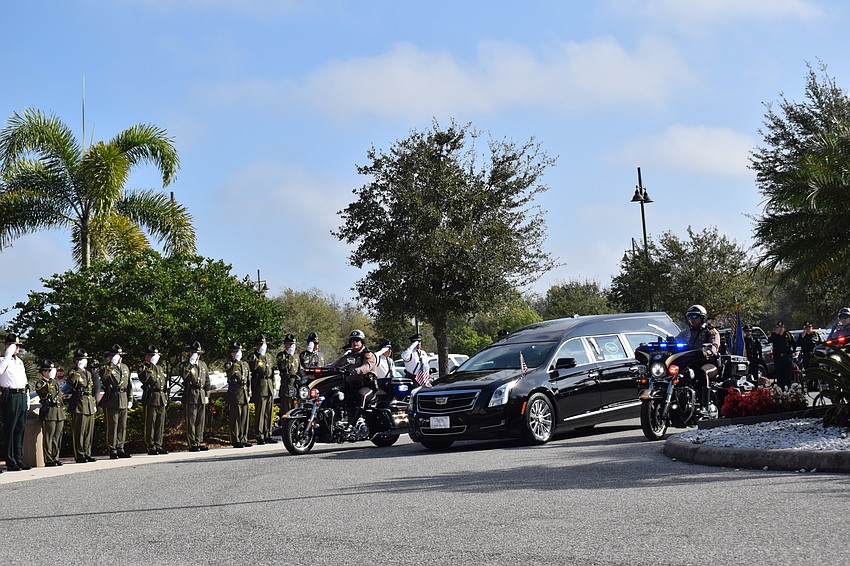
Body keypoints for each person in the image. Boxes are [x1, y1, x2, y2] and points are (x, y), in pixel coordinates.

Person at [673, 305, 720, 415]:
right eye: (690, 317)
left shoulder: (711, 331)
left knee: (703, 372)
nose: (692, 319)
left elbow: (715, 344)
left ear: (702, 318)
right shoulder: (686, 332)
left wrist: (709, 351)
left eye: (695, 316)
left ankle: (705, 405)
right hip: (690, 363)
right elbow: (675, 341)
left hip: (707, 362)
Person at [330, 330, 377, 432]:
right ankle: (337, 422)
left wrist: (355, 371)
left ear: (362, 342)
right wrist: (319, 370)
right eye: (352, 341)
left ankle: (352, 424)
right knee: (335, 396)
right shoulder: (348, 356)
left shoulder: (368, 355)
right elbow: (334, 365)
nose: (355, 343)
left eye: (357, 340)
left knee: (361, 395)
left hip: (366, 386)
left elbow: (367, 367)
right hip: (350, 387)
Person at [1, 333, 30, 471]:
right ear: (7, 346)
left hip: (21, 395)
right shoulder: (2, 360)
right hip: (10, 396)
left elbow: (24, 381)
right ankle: (10, 460)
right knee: (10, 429)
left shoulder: (19, 361)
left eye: (17, 346)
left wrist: (27, 397)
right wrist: (7, 355)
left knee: (20, 429)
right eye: (14, 346)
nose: (17, 348)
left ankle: (19, 458)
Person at [99, 344, 133, 459]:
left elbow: (129, 385)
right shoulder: (106, 368)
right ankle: (112, 449)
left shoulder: (125, 367)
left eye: (119, 355)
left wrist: (130, 399)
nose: (119, 358)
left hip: (123, 398)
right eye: (116, 356)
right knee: (112, 426)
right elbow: (104, 377)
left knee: (122, 426)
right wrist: (111, 365)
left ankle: (120, 448)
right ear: (110, 357)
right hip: (111, 399)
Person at [66, 348, 97, 463]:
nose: (85, 361)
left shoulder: (88, 373)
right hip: (79, 404)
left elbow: (91, 388)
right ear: (77, 361)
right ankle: (79, 455)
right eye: (82, 360)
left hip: (88, 403)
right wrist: (78, 368)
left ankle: (87, 452)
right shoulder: (73, 372)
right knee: (79, 431)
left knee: (88, 431)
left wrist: (93, 403)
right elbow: (71, 382)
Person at [139, 344, 169, 456]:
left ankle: (158, 444)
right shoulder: (144, 368)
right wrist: (151, 365)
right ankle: (150, 446)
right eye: (151, 356)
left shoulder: (159, 368)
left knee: (159, 423)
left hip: (160, 397)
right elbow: (144, 379)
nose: (153, 358)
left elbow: (163, 383)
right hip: (151, 398)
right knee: (150, 423)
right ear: (146, 357)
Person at [35, 359, 65, 467]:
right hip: (49, 412)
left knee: (57, 436)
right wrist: (51, 380)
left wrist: (52, 381)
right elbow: (46, 393)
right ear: (44, 372)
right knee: (49, 436)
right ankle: (48, 459)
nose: (51, 372)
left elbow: (60, 395)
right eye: (49, 370)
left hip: (58, 411)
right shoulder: (41, 383)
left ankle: (55, 457)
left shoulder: (54, 382)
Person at [247, 334, 277, 445]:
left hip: (268, 385)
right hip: (260, 385)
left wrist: (273, 384)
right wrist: (260, 356)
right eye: (260, 344)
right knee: (260, 412)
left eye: (263, 344)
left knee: (268, 412)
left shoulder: (268, 356)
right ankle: (259, 435)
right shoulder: (253, 356)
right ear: (256, 346)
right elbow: (253, 368)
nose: (262, 346)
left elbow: (272, 370)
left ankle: (268, 433)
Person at [181, 341, 210, 452]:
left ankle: (199, 440)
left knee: (200, 420)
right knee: (191, 421)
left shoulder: (203, 365)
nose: (196, 355)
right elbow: (184, 375)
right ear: (189, 353)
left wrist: (207, 394)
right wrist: (190, 364)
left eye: (197, 353)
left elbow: (207, 381)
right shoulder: (185, 365)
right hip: (191, 395)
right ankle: (192, 443)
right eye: (194, 353)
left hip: (201, 394)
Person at [224, 341, 251, 448]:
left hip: (244, 393)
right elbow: (230, 374)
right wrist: (235, 362)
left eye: (238, 352)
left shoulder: (245, 364)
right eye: (235, 352)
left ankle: (244, 438)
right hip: (235, 393)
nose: (237, 353)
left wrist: (249, 392)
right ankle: (235, 440)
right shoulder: (230, 364)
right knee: (236, 418)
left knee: (244, 417)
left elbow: (248, 379)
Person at [276, 334, 301, 413]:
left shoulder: (296, 356)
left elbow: (299, 369)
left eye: (293, 344)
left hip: (295, 386)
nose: (291, 346)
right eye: (290, 344)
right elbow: (282, 367)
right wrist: (289, 356)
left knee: (295, 410)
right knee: (286, 410)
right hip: (287, 385)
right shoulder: (281, 355)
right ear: (285, 344)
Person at [768, 321, 795, 390]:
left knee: (787, 374)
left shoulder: (787, 334)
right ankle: (780, 388)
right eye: (779, 327)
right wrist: (776, 334)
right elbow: (769, 340)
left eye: (781, 327)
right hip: (778, 357)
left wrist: (793, 352)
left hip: (786, 356)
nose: (780, 329)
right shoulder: (774, 334)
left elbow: (793, 343)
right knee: (780, 374)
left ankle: (788, 387)